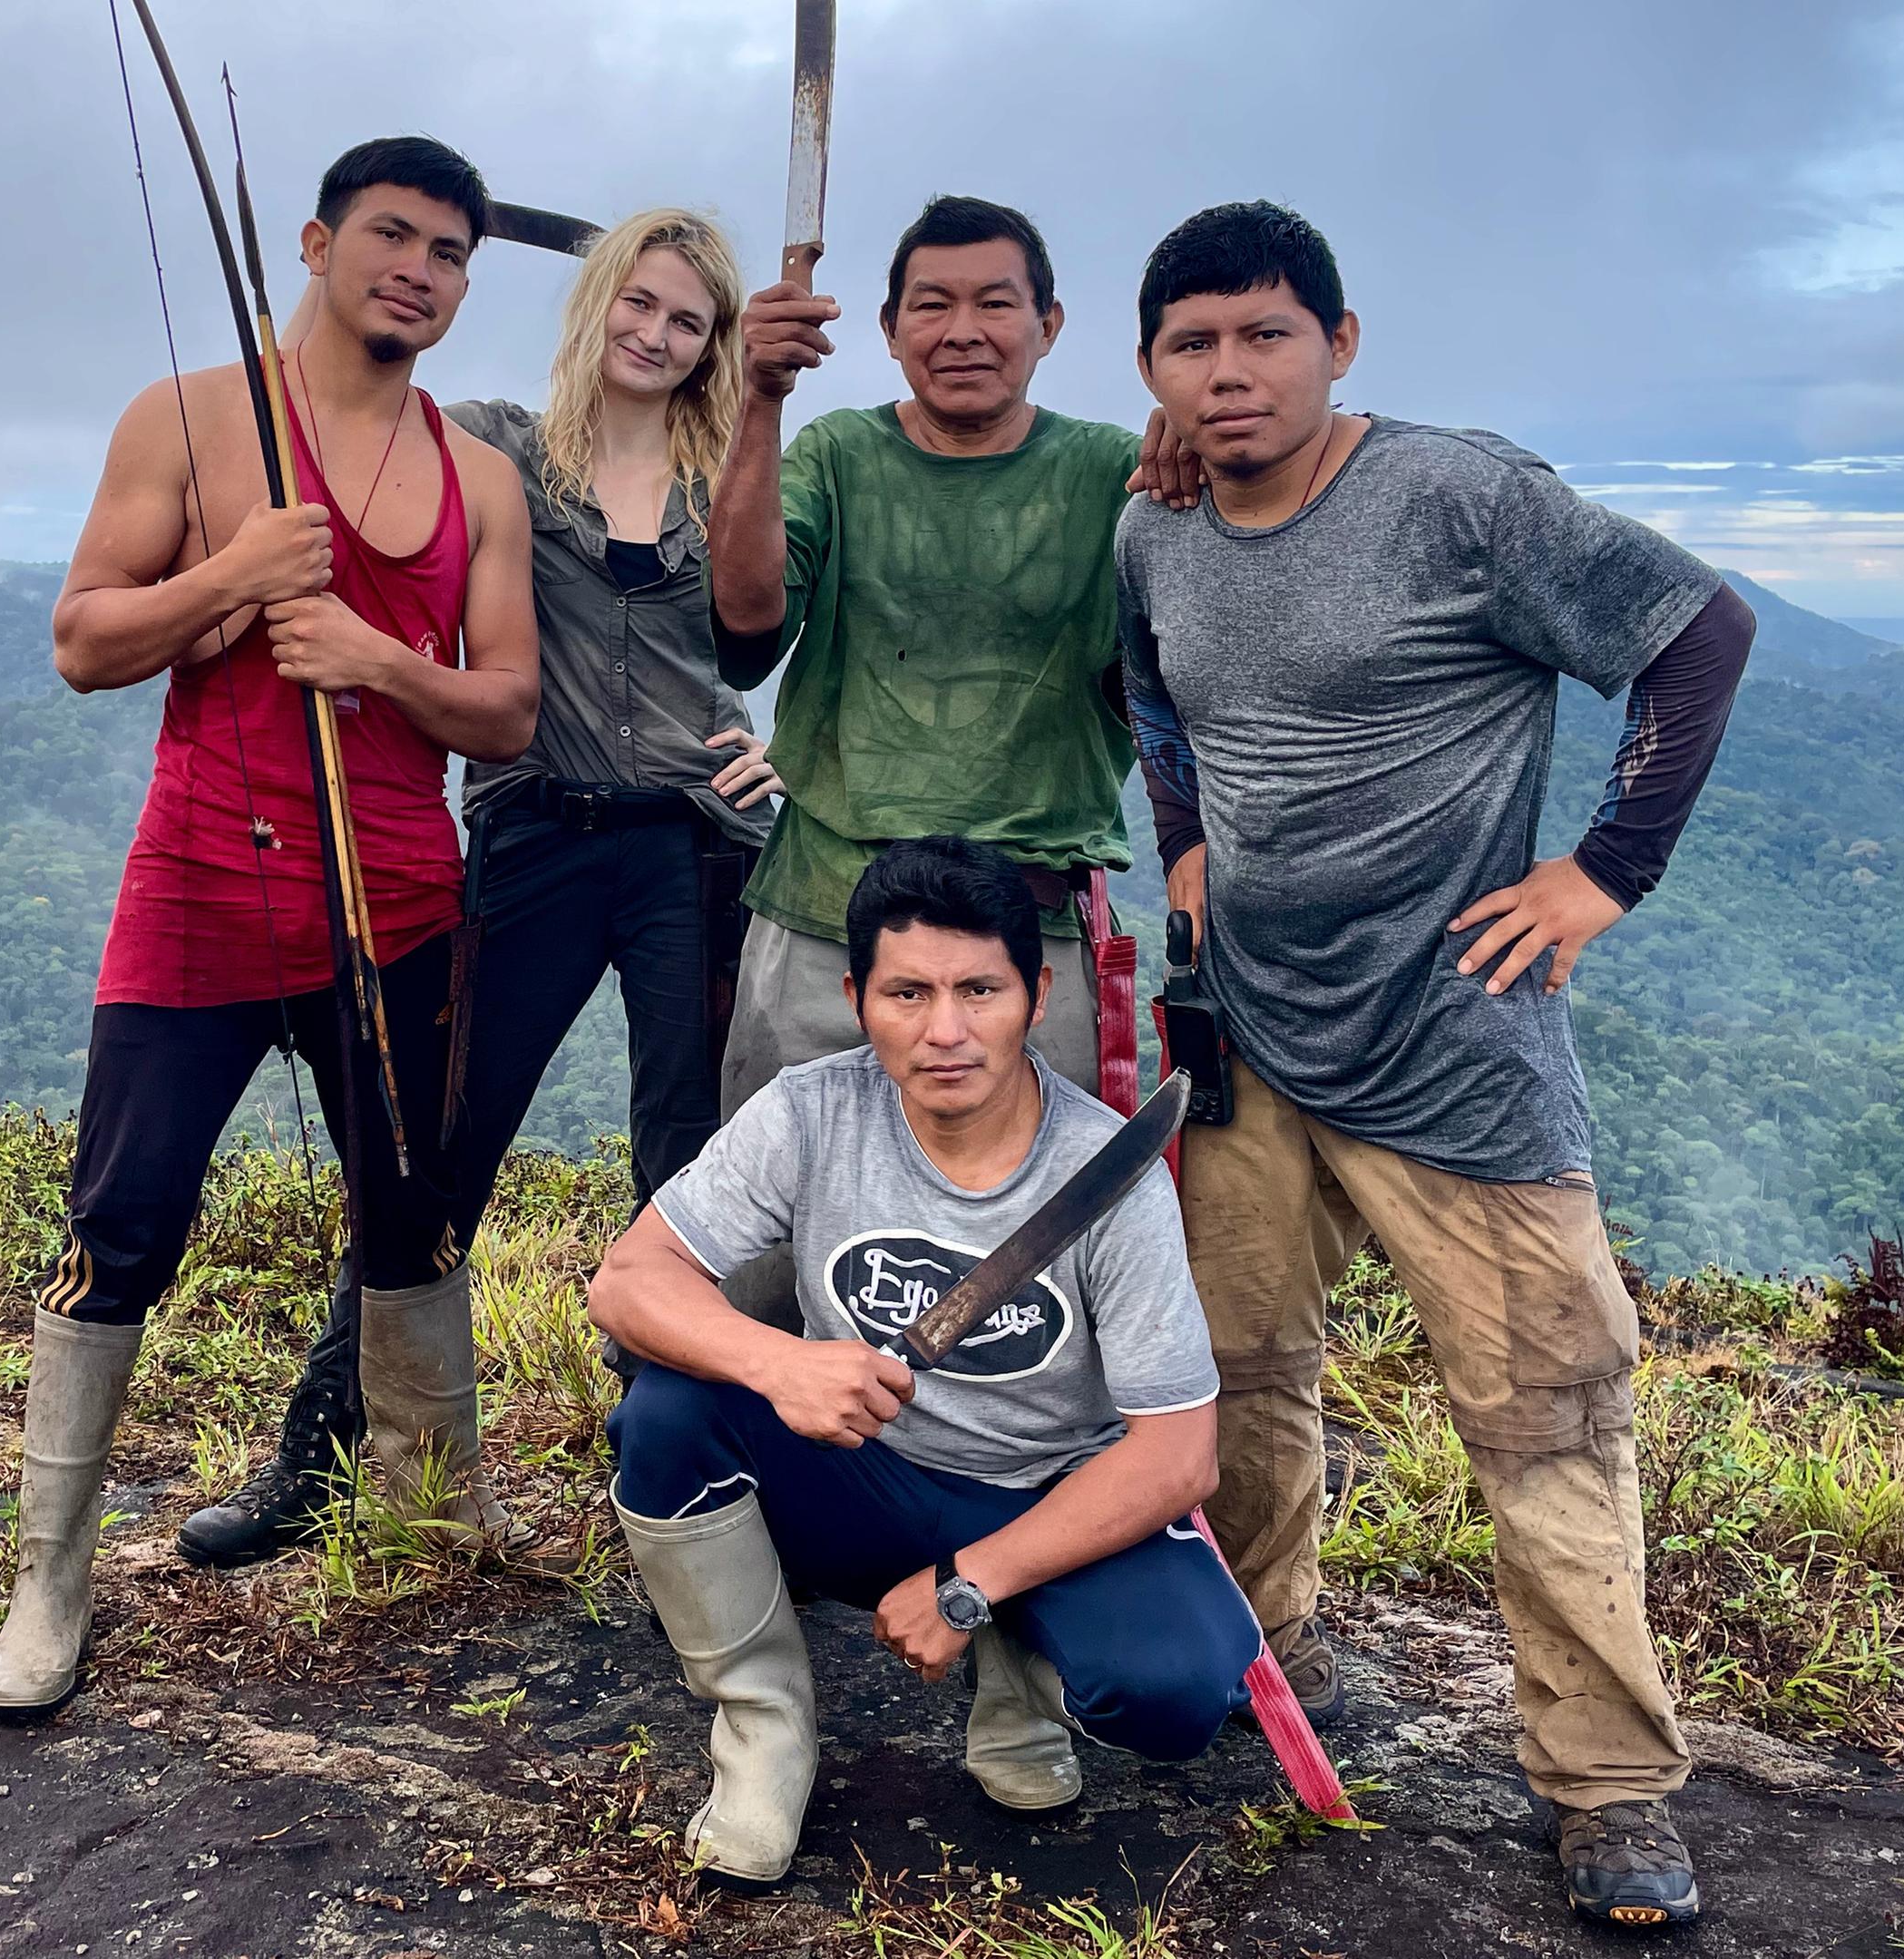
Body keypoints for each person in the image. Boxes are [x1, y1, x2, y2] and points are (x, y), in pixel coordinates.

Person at [1119, 200, 1757, 1928]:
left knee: (1549, 1411)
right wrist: (1181, 835)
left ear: (1341, 339)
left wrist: (1605, 871)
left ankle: (1611, 1782)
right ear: (1153, 371)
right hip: (1249, 1036)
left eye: (1266, 334)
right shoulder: (1156, 528)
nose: (1232, 371)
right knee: (1237, 1381)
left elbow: (1697, 635)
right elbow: (1154, 696)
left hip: (1458, 1051)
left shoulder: (1459, 497)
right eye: (1195, 343)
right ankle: (1261, 1655)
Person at [0, 136, 541, 1721]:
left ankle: (435, 1513)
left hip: (404, 900)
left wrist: (371, 655)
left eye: (446, 252)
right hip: (201, 895)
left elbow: (503, 711)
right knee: (124, 1218)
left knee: (411, 1215)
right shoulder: (191, 420)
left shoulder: (473, 476)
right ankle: (50, 1584)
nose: (416, 268)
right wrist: (232, 571)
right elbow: (86, 640)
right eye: (391, 235)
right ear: (314, 240)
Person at [173, 209, 783, 1567]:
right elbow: (360, 472)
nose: (656, 335)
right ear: (596, 308)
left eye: (688, 321)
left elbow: (775, 634)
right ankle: (321, 1457)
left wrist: (781, 756)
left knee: (684, 1159)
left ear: (714, 346)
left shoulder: (728, 477)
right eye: (639, 305)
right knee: (439, 1142)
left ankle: (668, 1490)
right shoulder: (495, 447)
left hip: (694, 848)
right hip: (533, 835)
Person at [587, 836, 1259, 1887]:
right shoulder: (812, 1111)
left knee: (1178, 1689)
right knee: (668, 1414)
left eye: (979, 990)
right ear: (857, 997)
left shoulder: (1108, 1174)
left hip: (1042, 1499)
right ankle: (765, 1726)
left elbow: (1179, 1457)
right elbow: (628, 1282)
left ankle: (1018, 1676)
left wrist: (968, 1586)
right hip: (863, 1477)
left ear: (1038, 998)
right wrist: (781, 1365)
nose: (944, 1031)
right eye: (907, 992)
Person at [707, 194, 1148, 1317]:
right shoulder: (839, 453)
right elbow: (746, 624)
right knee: (765, 1229)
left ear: (1049, 324)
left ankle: (990, 1476)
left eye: (996, 303)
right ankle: (733, 1459)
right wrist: (758, 400)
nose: (964, 330)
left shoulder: (1113, 476)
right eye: (933, 306)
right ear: (892, 331)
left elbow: (1176, 678)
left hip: (1026, 928)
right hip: (823, 913)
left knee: (1017, 1247)